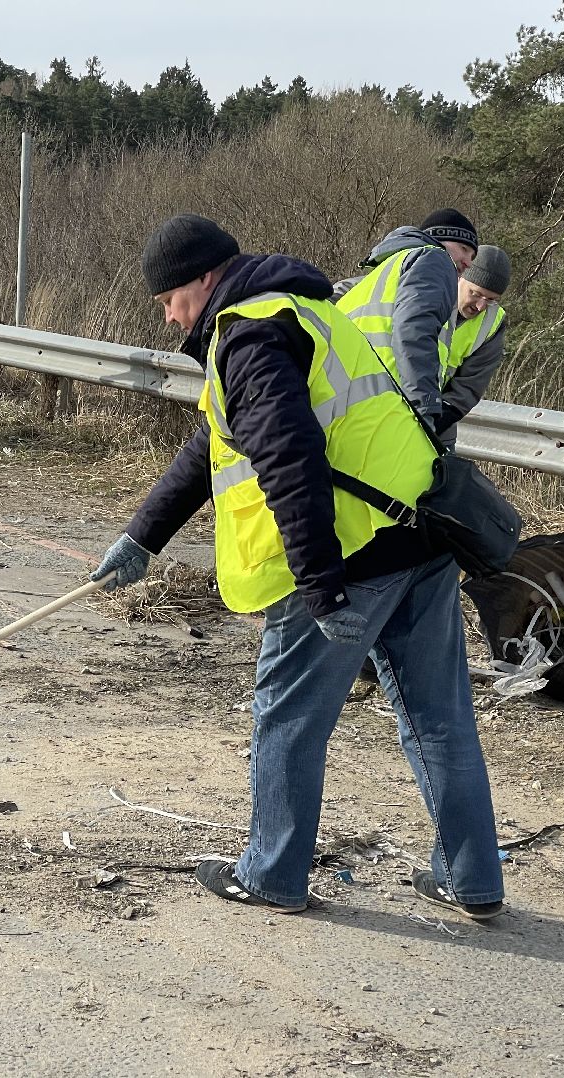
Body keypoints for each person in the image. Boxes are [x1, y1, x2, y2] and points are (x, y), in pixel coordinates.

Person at [92, 214, 505, 921]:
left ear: (203, 278)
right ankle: (472, 880)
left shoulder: (249, 333)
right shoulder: (302, 310)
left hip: (351, 550)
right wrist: (143, 536)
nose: (167, 316)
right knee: (438, 719)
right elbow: (216, 440)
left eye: (169, 299)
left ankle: (272, 873)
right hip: (419, 532)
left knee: (287, 717)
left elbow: (289, 459)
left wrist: (317, 585)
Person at [334, 208, 478, 435]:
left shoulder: (379, 273)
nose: (468, 262)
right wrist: (425, 409)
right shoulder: (434, 258)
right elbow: (414, 334)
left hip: (344, 406)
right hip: (390, 409)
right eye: (464, 249)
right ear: (440, 237)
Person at [438, 245, 511, 447]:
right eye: (475, 294)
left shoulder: (493, 323)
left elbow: (469, 386)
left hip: (439, 421)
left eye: (491, 300)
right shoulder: (427, 295)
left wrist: (434, 422)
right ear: (459, 277)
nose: (480, 306)